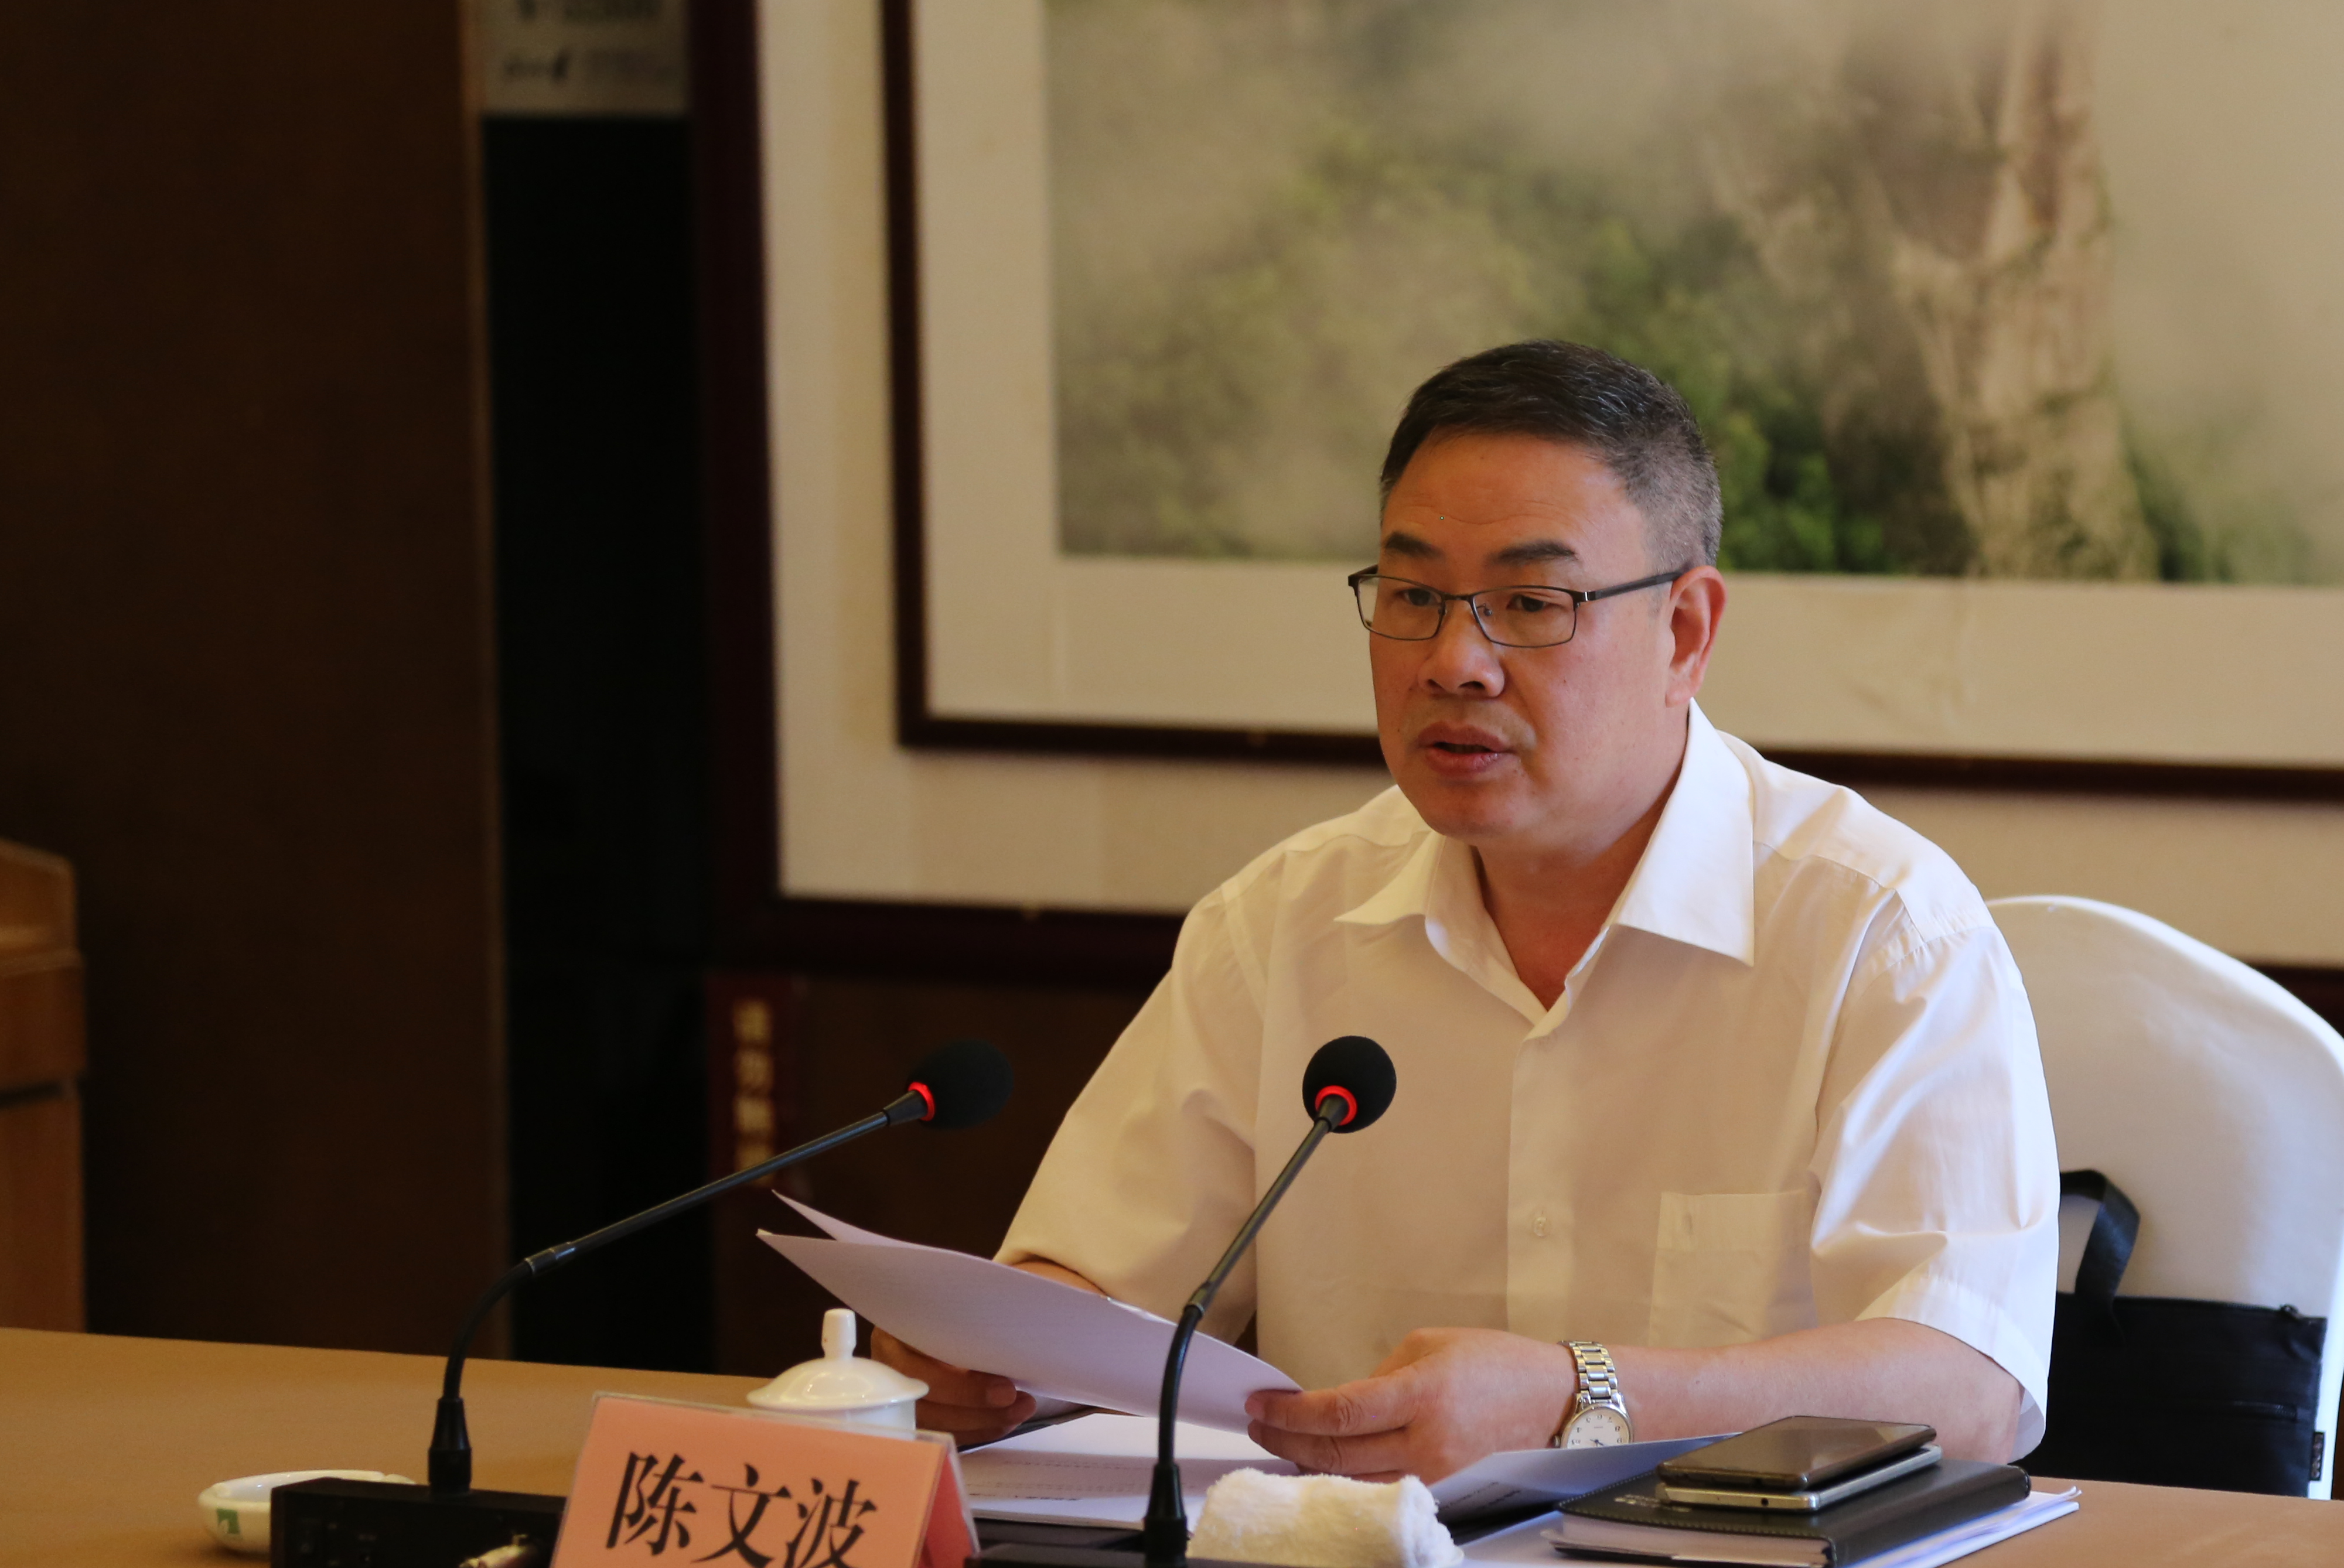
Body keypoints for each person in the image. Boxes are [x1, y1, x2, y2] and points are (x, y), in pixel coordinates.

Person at [875, 340, 2057, 1482]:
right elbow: (1099, 1288)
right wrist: (991, 1359)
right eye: (1412, 595)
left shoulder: (1880, 931)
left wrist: (1580, 1394)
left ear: (1685, 632)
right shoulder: (1283, 923)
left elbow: (1971, 1388)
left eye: (1530, 603)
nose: (1454, 662)